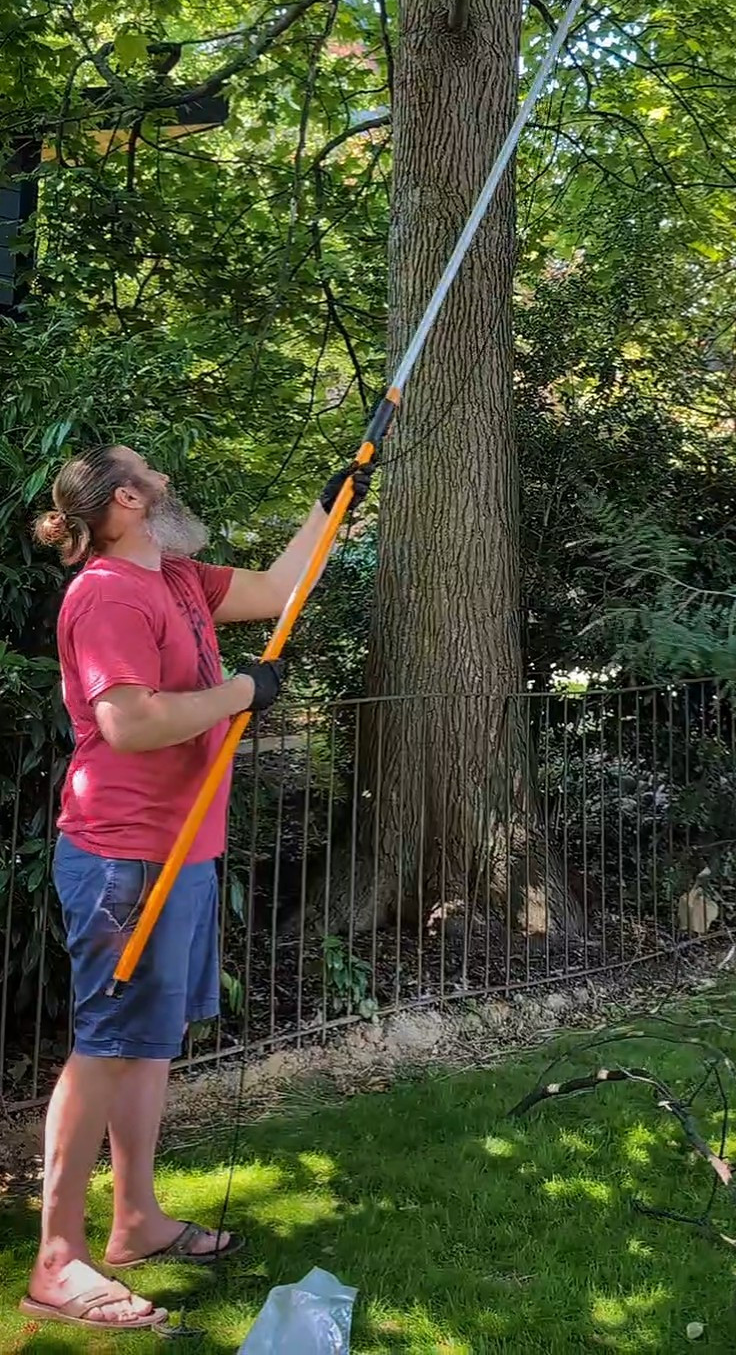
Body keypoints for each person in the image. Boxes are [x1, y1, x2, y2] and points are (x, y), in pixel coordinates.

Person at [20, 442, 352, 1334]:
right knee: (107, 1041)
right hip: (124, 857)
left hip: (183, 850)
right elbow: (129, 722)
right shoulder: (107, 595)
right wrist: (244, 690)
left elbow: (281, 590)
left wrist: (335, 500)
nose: (169, 481)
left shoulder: (175, 577)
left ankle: (135, 1221)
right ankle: (57, 1261)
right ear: (125, 499)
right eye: (152, 475)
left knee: (151, 1043)